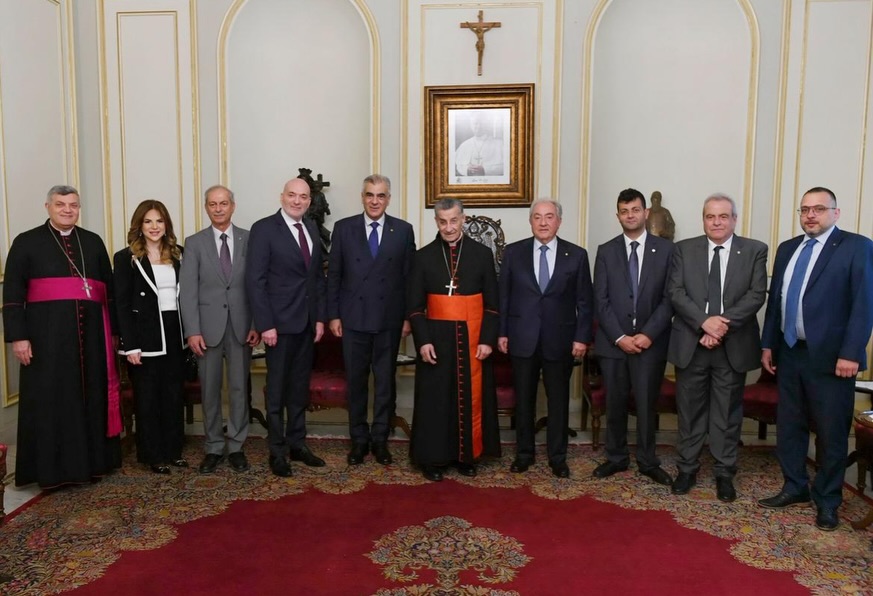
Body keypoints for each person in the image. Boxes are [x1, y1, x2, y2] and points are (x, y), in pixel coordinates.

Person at [758, 187, 873, 531]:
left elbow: (864, 303)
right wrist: (768, 345)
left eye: (819, 209)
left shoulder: (856, 247)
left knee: (831, 431)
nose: (810, 215)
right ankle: (795, 486)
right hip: (790, 353)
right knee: (790, 426)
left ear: (835, 213)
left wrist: (851, 353)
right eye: (805, 209)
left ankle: (828, 500)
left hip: (833, 359)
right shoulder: (788, 248)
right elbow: (776, 302)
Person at [2, 185, 122, 488]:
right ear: (48, 207)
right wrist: (19, 337)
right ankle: (53, 472)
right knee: (52, 402)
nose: (67, 210)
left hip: (92, 341)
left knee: (91, 399)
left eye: (73, 205)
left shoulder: (92, 242)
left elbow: (109, 293)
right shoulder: (26, 242)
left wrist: (114, 333)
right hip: (47, 342)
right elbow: (12, 294)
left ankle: (93, 465)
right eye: (60, 204)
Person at [667, 193, 767, 501]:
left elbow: (756, 294)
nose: (717, 222)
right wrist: (703, 323)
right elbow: (676, 291)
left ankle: (725, 472)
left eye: (723, 216)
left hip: (732, 345)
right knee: (689, 411)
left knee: (726, 413)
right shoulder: (684, 249)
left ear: (734, 219)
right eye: (710, 216)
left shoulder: (754, 250)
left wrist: (719, 325)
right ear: (703, 220)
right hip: (692, 343)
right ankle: (687, 468)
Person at [406, 198, 501, 481]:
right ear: (436, 222)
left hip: (473, 339)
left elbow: (493, 304)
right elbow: (414, 307)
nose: (448, 227)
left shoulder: (482, 255)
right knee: (436, 400)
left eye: (454, 221)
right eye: (443, 222)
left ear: (463, 219)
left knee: (470, 398)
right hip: (436, 341)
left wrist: (487, 339)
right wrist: (423, 341)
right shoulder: (423, 257)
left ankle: (467, 457)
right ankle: (432, 459)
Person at [497, 198, 593, 477]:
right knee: (524, 400)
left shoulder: (576, 255)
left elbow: (585, 302)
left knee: (558, 401)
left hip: (559, 340)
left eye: (549, 216)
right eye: (537, 217)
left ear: (558, 221)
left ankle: (558, 457)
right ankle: (524, 454)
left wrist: (581, 338)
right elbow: (504, 297)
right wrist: (502, 332)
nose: (543, 222)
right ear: (530, 221)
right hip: (521, 338)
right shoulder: (513, 253)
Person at [327, 174, 415, 466]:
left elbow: (409, 279)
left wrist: (408, 317)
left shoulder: (403, 230)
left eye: (380, 195)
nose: (375, 201)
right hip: (353, 319)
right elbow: (334, 275)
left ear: (388, 199)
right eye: (369, 195)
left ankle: (380, 439)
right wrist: (334, 315)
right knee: (356, 383)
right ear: (362, 197)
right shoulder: (344, 228)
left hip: (389, 319)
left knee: (385, 383)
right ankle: (358, 440)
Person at [591, 189, 674, 485]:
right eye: (624, 211)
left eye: (635, 210)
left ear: (645, 213)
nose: (630, 215)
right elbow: (600, 300)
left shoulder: (666, 250)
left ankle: (648, 461)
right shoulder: (606, 250)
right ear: (618, 216)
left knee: (646, 405)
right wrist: (619, 337)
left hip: (650, 344)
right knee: (614, 404)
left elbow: (669, 298)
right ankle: (616, 458)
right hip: (614, 345)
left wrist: (648, 334)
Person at [246, 178, 327, 477]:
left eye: (303, 197)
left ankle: (297, 444)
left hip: (306, 323)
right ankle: (277, 451)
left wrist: (319, 318)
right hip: (277, 327)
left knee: (298, 390)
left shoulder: (312, 228)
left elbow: (316, 278)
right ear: (282, 197)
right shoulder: (264, 229)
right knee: (277, 392)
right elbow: (255, 281)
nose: (297, 201)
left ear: (309, 201)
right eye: (292, 195)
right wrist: (265, 324)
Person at [180, 185, 260, 474]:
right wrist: (192, 331)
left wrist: (256, 324)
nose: (218, 208)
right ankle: (213, 446)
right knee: (210, 391)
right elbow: (187, 291)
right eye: (212, 204)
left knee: (239, 389)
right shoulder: (194, 243)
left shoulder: (250, 239)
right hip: (206, 330)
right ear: (206, 208)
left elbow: (257, 286)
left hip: (241, 328)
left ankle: (237, 446)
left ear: (232, 206)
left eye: (223, 203)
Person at [114, 200, 188, 474]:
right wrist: (130, 345)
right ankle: (152, 454)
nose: (154, 227)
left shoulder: (179, 254)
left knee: (173, 395)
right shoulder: (126, 258)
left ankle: (173, 451)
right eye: (148, 221)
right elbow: (121, 304)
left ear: (166, 224)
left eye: (159, 221)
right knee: (147, 398)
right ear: (139, 225)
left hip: (175, 331)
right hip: (144, 335)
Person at [454, 111, 504, 177]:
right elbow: (459, 166)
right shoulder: (464, 145)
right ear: (471, 125)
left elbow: (505, 167)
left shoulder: (499, 144)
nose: (479, 126)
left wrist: (485, 170)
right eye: (475, 123)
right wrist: (467, 170)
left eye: (482, 123)